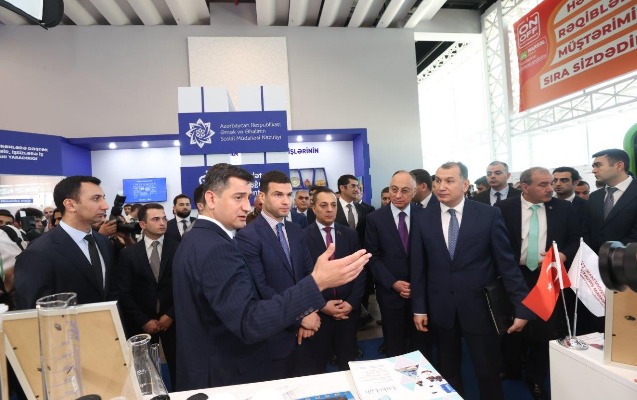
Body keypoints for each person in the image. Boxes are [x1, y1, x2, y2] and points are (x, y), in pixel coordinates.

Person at [172, 163, 370, 391]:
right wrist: (317, 284)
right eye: (238, 197)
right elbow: (249, 320)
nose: (247, 206)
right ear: (211, 198)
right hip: (221, 375)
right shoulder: (218, 247)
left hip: (209, 369)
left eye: (247, 197)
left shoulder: (197, 238)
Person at [411, 162, 532, 400]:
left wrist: (522, 306)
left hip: (480, 308)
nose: (441, 186)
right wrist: (419, 307)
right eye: (438, 180)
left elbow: (507, 264)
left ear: (465, 185)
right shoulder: (422, 218)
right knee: (448, 370)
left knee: (487, 371)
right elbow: (418, 267)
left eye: (449, 181)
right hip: (441, 308)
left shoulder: (488, 215)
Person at [496, 167, 580, 400]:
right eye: (543, 184)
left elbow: (575, 239)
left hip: (547, 275)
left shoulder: (563, 208)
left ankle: (536, 379)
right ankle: (510, 369)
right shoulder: (504, 208)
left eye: (550, 183)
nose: (550, 188)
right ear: (524, 187)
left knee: (544, 329)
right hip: (514, 275)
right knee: (512, 325)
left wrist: (563, 254)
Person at [235, 170, 318, 379]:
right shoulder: (247, 236)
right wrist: (301, 317)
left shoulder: (296, 230)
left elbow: (309, 275)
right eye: (278, 194)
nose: (286, 201)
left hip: (308, 333)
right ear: (262, 197)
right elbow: (261, 289)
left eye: (289, 195)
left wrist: (310, 312)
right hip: (275, 337)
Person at [14, 176, 117, 309]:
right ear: (70, 205)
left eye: (103, 198)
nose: (105, 206)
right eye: (96, 199)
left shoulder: (103, 242)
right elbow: (33, 309)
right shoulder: (38, 252)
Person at [366, 171, 430, 358]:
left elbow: (431, 255)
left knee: (421, 345)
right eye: (394, 189)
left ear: (414, 192)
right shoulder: (375, 219)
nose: (398, 195)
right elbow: (372, 257)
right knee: (394, 345)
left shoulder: (425, 216)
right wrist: (393, 283)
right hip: (389, 293)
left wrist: (417, 284)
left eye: (404, 190)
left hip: (420, 294)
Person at [303, 187, 365, 372]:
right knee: (318, 363)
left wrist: (352, 303)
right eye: (323, 205)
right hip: (319, 313)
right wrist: (322, 305)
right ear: (313, 208)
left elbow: (360, 271)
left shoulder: (349, 234)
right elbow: (303, 277)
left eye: (333, 205)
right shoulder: (303, 237)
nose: (330, 209)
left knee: (348, 361)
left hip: (347, 311)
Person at [117, 203, 179, 388]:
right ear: (142, 224)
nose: (162, 223)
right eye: (156, 219)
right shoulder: (129, 254)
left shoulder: (178, 248)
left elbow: (185, 286)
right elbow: (124, 292)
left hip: (174, 322)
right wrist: (143, 320)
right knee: (145, 375)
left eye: (164, 218)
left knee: (177, 372)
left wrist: (171, 314)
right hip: (141, 325)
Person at [583, 148, 637, 333]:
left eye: (598, 165)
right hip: (596, 272)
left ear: (619, 165)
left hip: (629, 271)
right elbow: (588, 230)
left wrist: (612, 255)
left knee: (627, 324)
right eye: (593, 166)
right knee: (601, 322)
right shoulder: (595, 197)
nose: (594, 170)